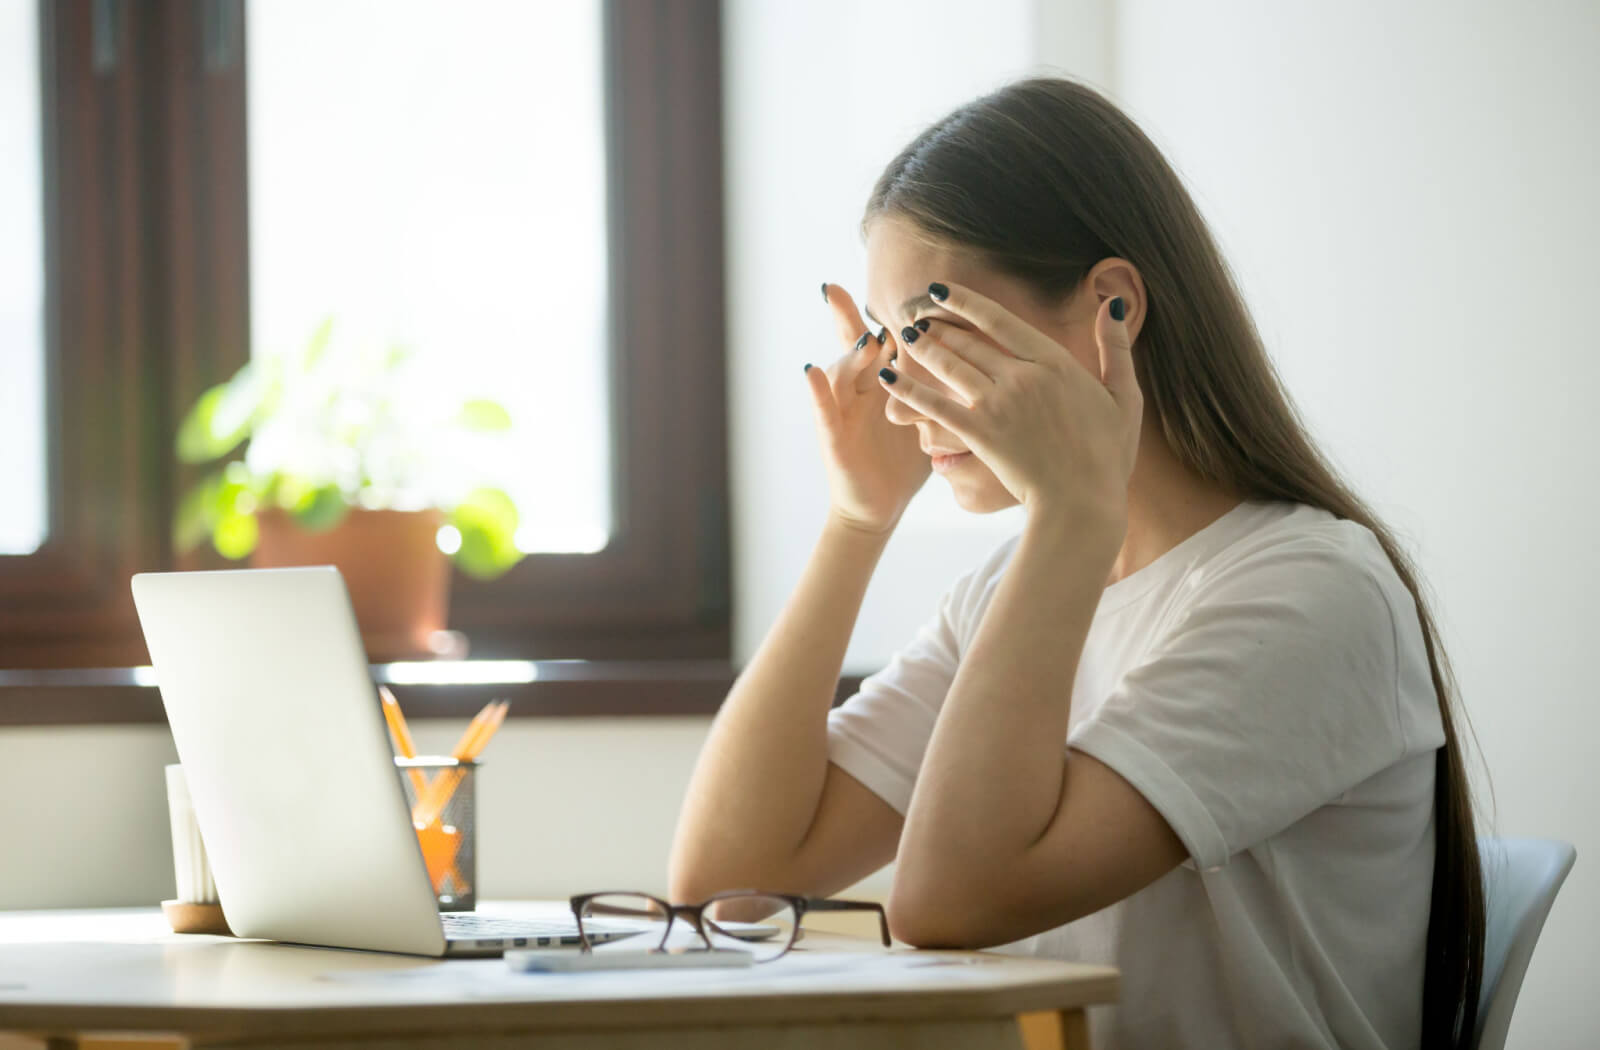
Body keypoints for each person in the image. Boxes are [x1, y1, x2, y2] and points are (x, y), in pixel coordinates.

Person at [668, 77, 1483, 1050]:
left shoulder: (1310, 592)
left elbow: (951, 902)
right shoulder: (1014, 595)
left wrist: (1070, 512)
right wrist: (855, 521)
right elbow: (727, 884)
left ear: (1112, 310)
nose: (897, 397)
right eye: (889, 347)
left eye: (932, 332)